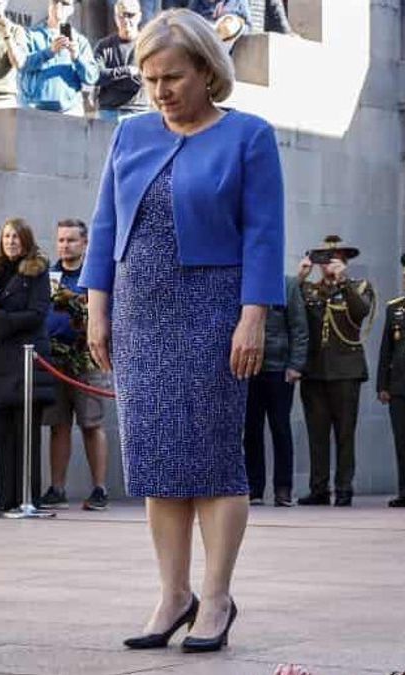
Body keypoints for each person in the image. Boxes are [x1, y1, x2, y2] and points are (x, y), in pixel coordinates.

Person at [81, 9, 284, 653]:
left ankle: (217, 597)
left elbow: (264, 233)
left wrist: (253, 315)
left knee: (215, 458)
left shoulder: (250, 135)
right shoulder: (130, 135)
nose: (160, 90)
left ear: (206, 71)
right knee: (157, 458)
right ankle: (173, 595)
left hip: (215, 309)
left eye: (172, 76)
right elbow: (105, 227)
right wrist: (96, 307)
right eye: (149, 78)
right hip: (141, 311)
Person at [0, 218, 54, 513]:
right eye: (6, 236)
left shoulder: (37, 271)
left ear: (26, 240)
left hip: (25, 363)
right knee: (2, 434)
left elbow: (36, 314)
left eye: (16, 237)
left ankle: (28, 497)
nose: (11, 241)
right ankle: (5, 497)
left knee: (25, 435)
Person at [297, 235, 374, 507]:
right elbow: (286, 312)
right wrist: (299, 277)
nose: (329, 264)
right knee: (317, 435)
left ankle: (344, 488)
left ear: (344, 261)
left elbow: (361, 312)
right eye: (324, 259)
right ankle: (318, 489)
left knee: (344, 433)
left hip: (345, 372)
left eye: (335, 259)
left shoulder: (359, 286)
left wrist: (343, 282)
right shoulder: (307, 290)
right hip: (314, 372)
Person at [39, 219, 111, 512]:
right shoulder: (48, 276)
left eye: (71, 240)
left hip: (86, 358)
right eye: (61, 240)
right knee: (58, 426)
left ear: (84, 243)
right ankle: (57, 488)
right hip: (54, 359)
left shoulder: (93, 276)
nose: (65, 245)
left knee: (91, 424)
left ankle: (99, 488)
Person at [243, 276, 307, 507]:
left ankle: (283, 489)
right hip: (249, 368)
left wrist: (295, 365)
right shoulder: (244, 282)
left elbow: (299, 328)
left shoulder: (287, 285)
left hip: (279, 369)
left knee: (281, 429)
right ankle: (254, 488)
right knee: (251, 431)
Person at [18, 0, 100, 115]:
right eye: (55, 1)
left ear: (72, 10)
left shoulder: (80, 41)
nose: (59, 5)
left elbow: (92, 78)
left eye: (65, 3)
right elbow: (21, 64)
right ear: (49, 5)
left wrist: (77, 58)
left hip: (70, 110)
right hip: (34, 108)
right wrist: (49, 52)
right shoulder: (30, 35)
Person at [376, 254, 405, 509]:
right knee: (402, 440)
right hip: (399, 387)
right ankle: (404, 490)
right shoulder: (395, 308)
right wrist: (382, 385)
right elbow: (386, 350)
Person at [95, 0, 150, 122]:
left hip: (138, 110)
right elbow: (96, 76)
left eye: (131, 15)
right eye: (122, 15)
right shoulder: (104, 46)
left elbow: (143, 79)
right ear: (115, 17)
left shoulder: (147, 45)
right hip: (109, 111)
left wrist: (111, 78)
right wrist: (127, 71)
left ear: (139, 16)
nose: (126, 20)